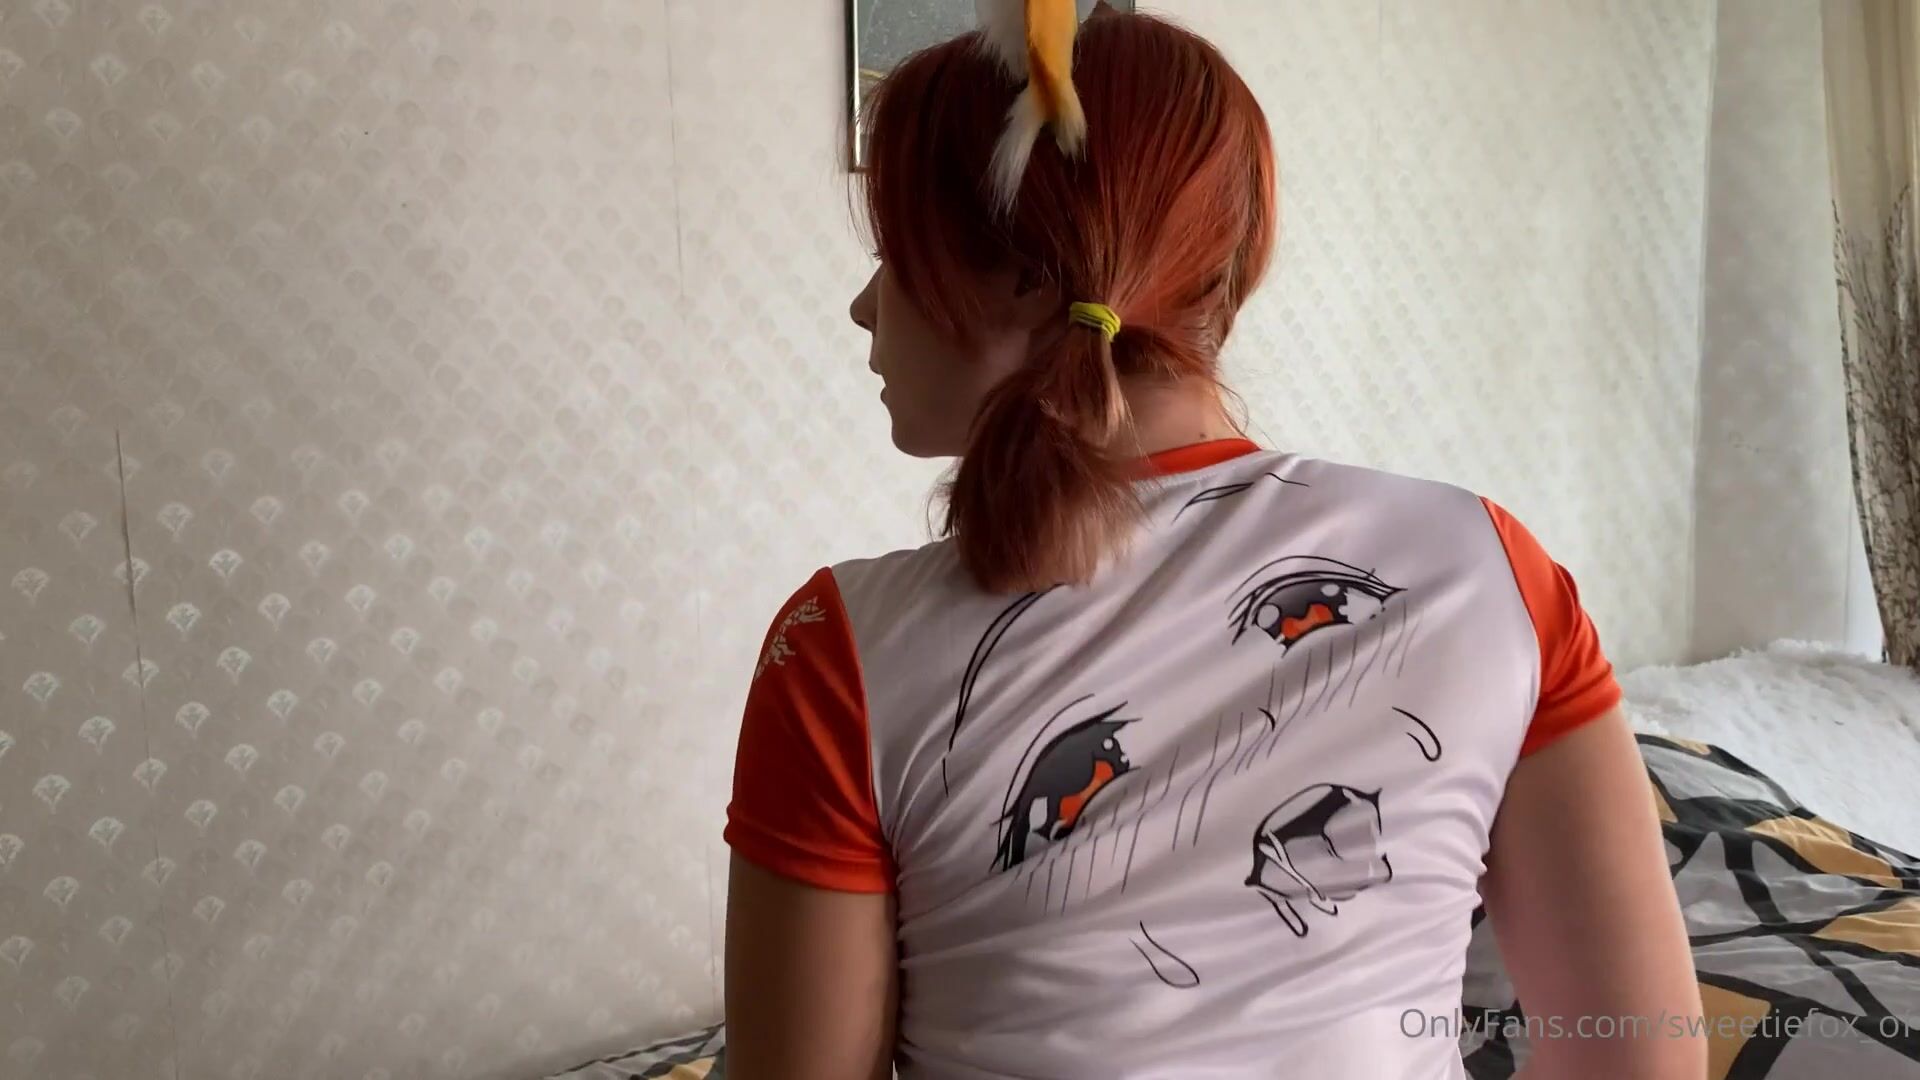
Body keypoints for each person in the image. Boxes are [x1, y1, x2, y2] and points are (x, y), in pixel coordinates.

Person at [722, 6, 1703, 1078]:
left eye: (893, 255)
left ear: (1027, 279)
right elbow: (1644, 1061)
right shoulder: (1488, 569)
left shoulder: (841, 651)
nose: (864, 308)